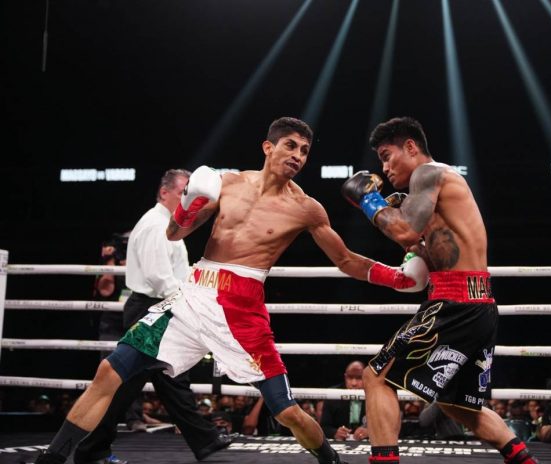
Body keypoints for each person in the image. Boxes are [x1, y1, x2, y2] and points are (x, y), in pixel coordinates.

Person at [36, 117, 428, 464]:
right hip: (193, 295)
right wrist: (188, 208)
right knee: (110, 371)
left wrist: (397, 277)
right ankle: (52, 459)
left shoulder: (307, 208)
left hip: (242, 308)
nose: (298, 155)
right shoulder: (227, 183)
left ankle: (330, 460)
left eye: (305, 151)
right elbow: (176, 233)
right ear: (268, 147)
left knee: (285, 409)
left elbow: (345, 261)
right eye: (290, 145)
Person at [342, 116, 538, 464]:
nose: (384, 167)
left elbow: (402, 231)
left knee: (375, 377)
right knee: (458, 405)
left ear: (412, 147)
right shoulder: (433, 186)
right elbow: (425, 247)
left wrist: (369, 201)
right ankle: (524, 459)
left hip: (456, 301)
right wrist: (417, 248)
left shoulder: (428, 173)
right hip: (479, 304)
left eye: (388, 155)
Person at [71, 169, 231, 464]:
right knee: (133, 381)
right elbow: (160, 277)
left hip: (159, 305)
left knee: (168, 376)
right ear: (165, 192)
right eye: (184, 191)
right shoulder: (156, 225)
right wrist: (189, 305)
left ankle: (205, 440)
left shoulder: (168, 224)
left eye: (190, 192)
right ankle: (87, 448)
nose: (189, 198)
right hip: (153, 305)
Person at [320, 360, 369, 441]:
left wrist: (370, 432)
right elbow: (324, 427)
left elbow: (386, 426)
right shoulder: (333, 395)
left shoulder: (374, 395)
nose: (354, 383)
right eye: (350, 377)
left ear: (366, 377)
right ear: (345, 377)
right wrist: (335, 432)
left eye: (359, 378)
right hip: (340, 444)